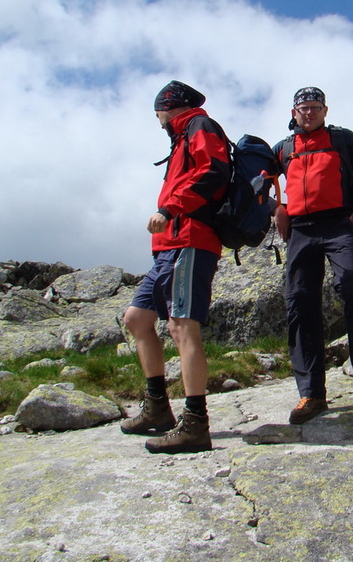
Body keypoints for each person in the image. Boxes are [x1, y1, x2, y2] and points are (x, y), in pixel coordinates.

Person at [120, 80, 230, 454]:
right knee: (137, 318)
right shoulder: (182, 137)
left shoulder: (201, 127)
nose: (158, 120)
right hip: (169, 246)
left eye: (159, 113)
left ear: (171, 107)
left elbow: (215, 170)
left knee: (182, 326)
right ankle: (157, 410)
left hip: (190, 241)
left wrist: (170, 208)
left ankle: (196, 425)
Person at [272, 86, 353, 424]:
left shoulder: (343, 139)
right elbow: (260, 181)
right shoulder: (282, 148)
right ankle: (311, 393)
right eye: (302, 108)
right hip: (301, 230)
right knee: (299, 302)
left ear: (325, 111)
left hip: (339, 224)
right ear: (293, 113)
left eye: (314, 107)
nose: (308, 113)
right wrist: (277, 208)